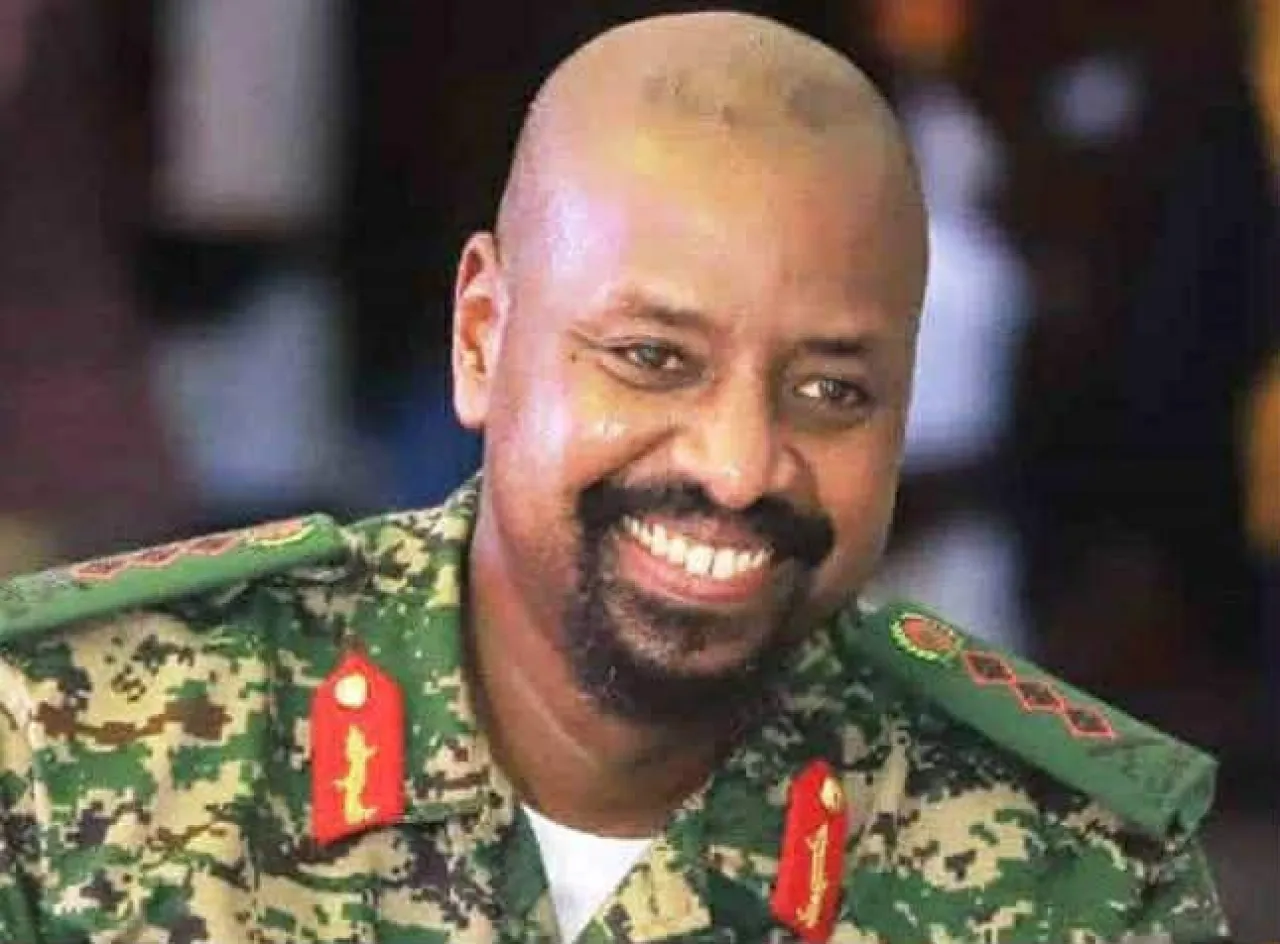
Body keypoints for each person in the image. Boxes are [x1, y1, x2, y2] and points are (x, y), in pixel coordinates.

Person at [0, 12, 1229, 943]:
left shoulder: (1071, 868)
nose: (737, 466)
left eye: (829, 391)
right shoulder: (75, 742)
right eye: (651, 358)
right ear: (480, 337)